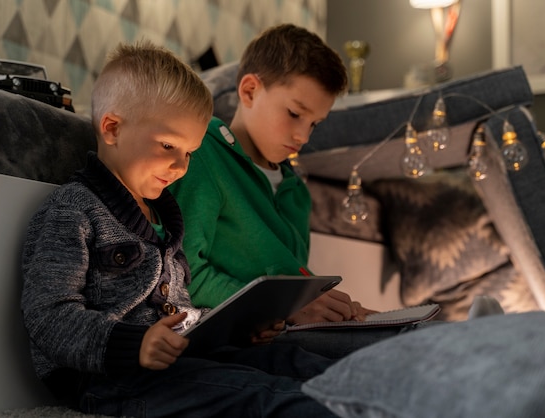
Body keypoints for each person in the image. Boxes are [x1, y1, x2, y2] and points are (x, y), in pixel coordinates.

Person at [20, 40, 341, 418]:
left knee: (298, 363)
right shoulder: (73, 210)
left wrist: (235, 329)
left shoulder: (165, 219)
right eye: (169, 145)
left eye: (189, 152)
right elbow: (48, 316)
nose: (181, 166)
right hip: (111, 377)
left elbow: (181, 310)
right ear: (112, 128)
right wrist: (133, 345)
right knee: (270, 397)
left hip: (182, 359)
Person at [167, 24, 416, 358]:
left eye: (314, 123)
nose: (304, 136)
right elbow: (184, 277)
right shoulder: (202, 156)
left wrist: (336, 307)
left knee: (407, 331)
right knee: (395, 349)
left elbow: (292, 277)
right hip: (240, 338)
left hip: (287, 328)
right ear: (250, 91)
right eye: (295, 113)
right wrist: (281, 309)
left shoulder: (296, 191)